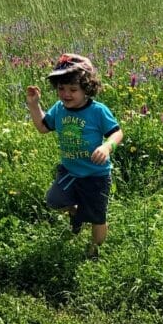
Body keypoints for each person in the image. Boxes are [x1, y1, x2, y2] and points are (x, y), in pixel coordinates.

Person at [27, 53, 123, 258]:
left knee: (97, 217)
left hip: (96, 175)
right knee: (54, 200)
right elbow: (44, 127)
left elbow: (117, 133)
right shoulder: (60, 109)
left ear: (87, 88)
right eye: (61, 88)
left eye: (73, 89)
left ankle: (95, 251)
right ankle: (77, 213)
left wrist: (107, 147)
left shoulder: (98, 111)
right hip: (69, 171)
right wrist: (34, 105)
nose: (66, 94)